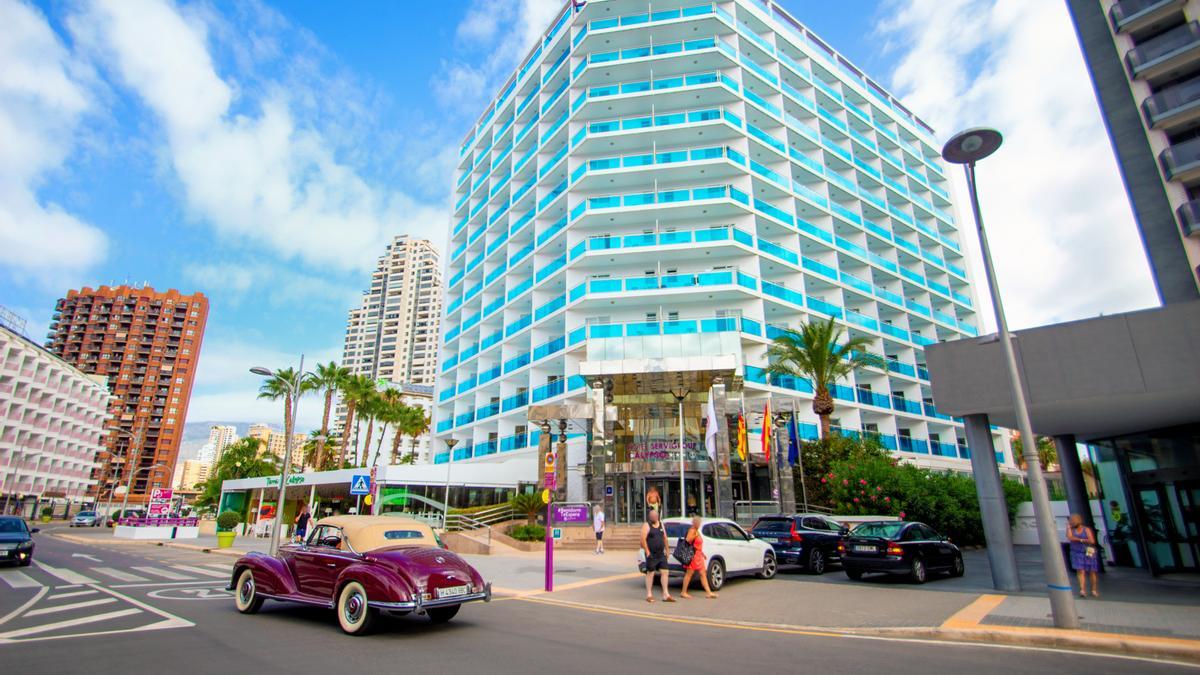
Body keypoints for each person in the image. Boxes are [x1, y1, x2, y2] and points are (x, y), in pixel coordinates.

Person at [680, 515, 717, 599]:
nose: (699, 524)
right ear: (695, 523)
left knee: (703, 573)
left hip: (699, 555)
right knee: (689, 573)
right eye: (698, 522)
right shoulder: (692, 530)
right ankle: (683, 592)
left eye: (699, 522)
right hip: (693, 555)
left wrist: (702, 553)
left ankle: (709, 592)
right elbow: (688, 540)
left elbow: (698, 544)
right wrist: (695, 535)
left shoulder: (696, 531)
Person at [641, 510, 674, 603]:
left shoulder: (661, 524)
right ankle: (649, 594)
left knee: (665, 572)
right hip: (651, 554)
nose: (654, 517)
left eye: (655, 516)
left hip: (661, 554)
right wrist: (647, 551)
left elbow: (665, 537)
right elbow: (642, 539)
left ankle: (666, 594)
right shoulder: (646, 525)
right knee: (650, 573)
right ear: (650, 517)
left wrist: (667, 550)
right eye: (652, 516)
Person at [1067, 513, 1100, 598]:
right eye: (1071, 521)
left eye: (1073, 521)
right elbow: (1070, 537)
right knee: (1080, 570)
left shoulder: (1086, 529)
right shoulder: (1071, 529)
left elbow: (1091, 540)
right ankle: (1082, 589)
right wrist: (1068, 528)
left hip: (1088, 550)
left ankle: (1094, 589)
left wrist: (1079, 539)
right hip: (1077, 551)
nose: (1072, 523)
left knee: (1092, 571)